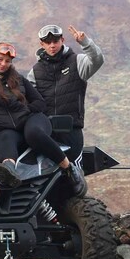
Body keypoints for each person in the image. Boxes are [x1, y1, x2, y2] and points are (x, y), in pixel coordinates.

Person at [0, 42, 87, 196]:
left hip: (32, 120)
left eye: (7, 61)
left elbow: (39, 102)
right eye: (0, 59)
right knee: (6, 138)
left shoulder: (17, 78)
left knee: (33, 134)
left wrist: (25, 111)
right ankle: (8, 171)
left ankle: (69, 168)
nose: (3, 64)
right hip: (4, 128)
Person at [27, 24, 105, 168]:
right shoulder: (35, 71)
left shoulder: (77, 61)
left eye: (55, 41)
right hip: (47, 132)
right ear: (41, 44)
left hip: (71, 130)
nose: (52, 46)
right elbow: (28, 100)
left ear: (62, 40)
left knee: (74, 173)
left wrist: (85, 43)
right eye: (48, 42)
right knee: (46, 175)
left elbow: (97, 60)